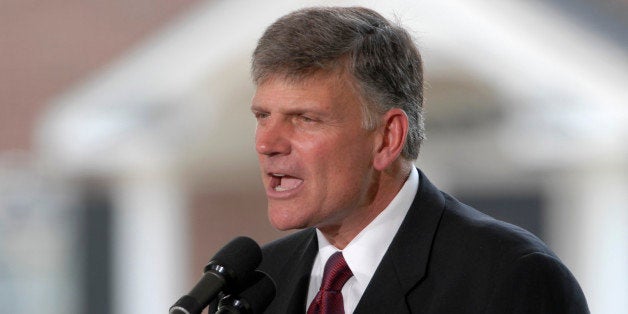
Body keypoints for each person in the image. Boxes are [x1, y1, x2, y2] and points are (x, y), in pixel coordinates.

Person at [251, 6, 589, 314]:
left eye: (305, 118)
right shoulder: (258, 282)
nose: (267, 143)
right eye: (263, 116)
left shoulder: (510, 278)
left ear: (388, 138)